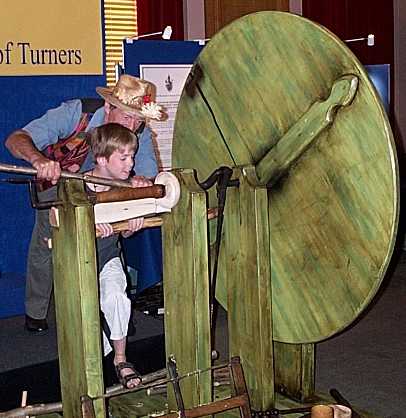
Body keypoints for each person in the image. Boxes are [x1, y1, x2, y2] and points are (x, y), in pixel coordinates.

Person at [5, 74, 166, 333]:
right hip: (58, 184)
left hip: (104, 193)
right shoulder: (77, 113)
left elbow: (147, 174)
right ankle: (36, 312)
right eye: (127, 116)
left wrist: (142, 181)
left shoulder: (139, 131)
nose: (133, 126)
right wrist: (38, 161)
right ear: (108, 107)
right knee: (47, 244)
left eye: (139, 119)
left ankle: (112, 311)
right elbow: (16, 138)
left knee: (108, 242)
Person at [86, 122, 150, 389]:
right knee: (84, 316)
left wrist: (130, 226)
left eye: (132, 156)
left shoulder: (123, 189)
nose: (130, 163)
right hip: (80, 260)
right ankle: (93, 358)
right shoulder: (77, 186)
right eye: (123, 157)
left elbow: (123, 233)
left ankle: (121, 359)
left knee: (115, 297)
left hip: (108, 258)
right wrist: (89, 228)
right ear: (102, 159)